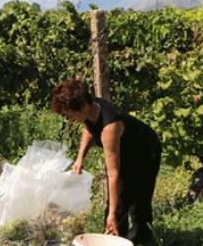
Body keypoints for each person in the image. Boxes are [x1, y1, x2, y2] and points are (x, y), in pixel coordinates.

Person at [50, 79, 162, 246]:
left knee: (139, 205)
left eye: (70, 114)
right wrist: (80, 158)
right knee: (117, 206)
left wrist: (112, 214)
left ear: (81, 107)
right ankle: (114, 236)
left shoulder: (110, 127)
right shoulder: (91, 107)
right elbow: (89, 130)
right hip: (126, 152)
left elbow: (113, 174)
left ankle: (142, 239)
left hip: (145, 153)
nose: (70, 118)